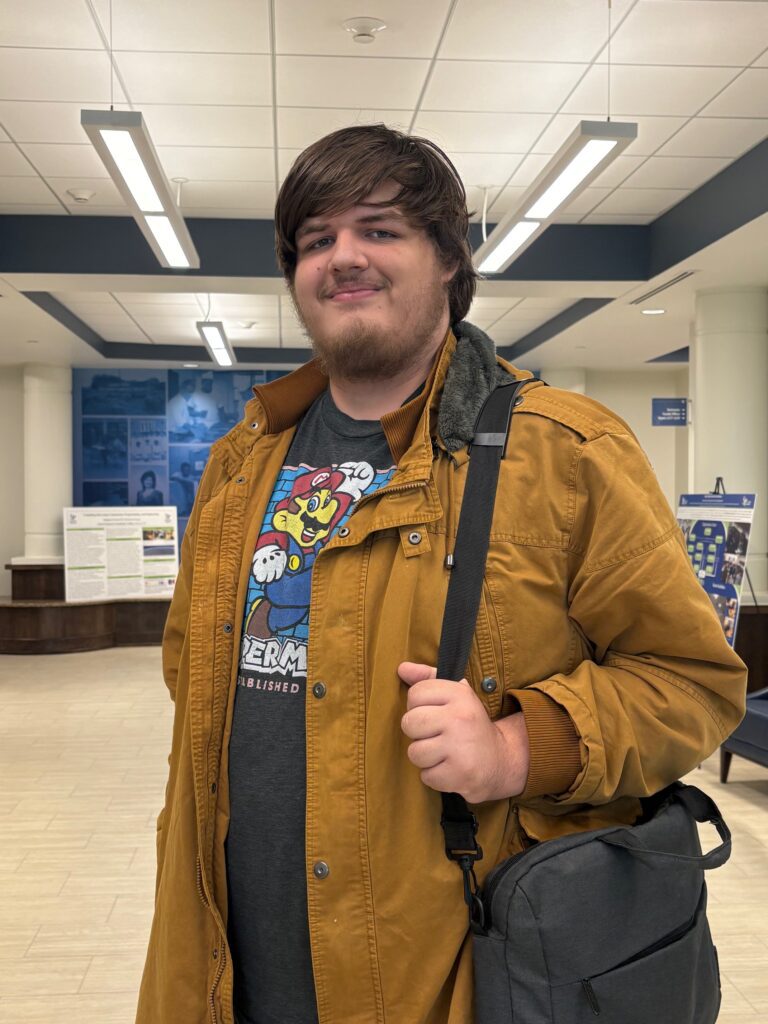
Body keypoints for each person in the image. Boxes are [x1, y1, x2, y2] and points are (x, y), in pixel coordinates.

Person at [136, 125, 747, 1024]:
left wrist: (518, 747)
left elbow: (692, 681)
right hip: (226, 966)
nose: (343, 256)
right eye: (316, 238)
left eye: (380, 229)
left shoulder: (565, 452)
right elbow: (191, 677)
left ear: (450, 261)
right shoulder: (241, 464)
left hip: (451, 972)